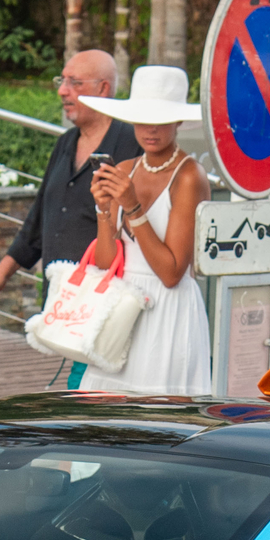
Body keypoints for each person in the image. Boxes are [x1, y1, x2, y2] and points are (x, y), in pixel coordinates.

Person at [0, 48, 139, 387]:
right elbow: (41, 215)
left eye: (74, 82)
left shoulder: (132, 142)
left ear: (104, 88)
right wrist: (3, 271)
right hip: (67, 300)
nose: (62, 91)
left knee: (87, 390)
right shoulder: (66, 142)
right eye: (61, 81)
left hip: (106, 300)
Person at [79, 65, 212, 395]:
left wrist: (133, 206)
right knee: (104, 417)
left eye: (162, 120)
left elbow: (171, 273)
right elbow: (107, 263)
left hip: (167, 310)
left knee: (158, 418)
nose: (151, 129)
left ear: (178, 121)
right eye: (142, 118)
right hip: (123, 308)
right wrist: (102, 208)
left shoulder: (189, 175)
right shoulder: (125, 169)